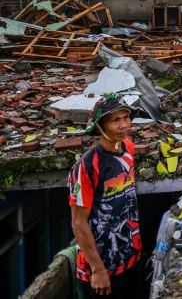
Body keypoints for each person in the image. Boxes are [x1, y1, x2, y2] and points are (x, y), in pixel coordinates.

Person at [67, 94, 142, 298]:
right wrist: (98, 270)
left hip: (130, 258)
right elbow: (78, 223)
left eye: (126, 117)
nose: (123, 125)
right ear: (100, 126)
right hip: (101, 271)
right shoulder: (87, 167)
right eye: (115, 120)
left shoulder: (128, 149)